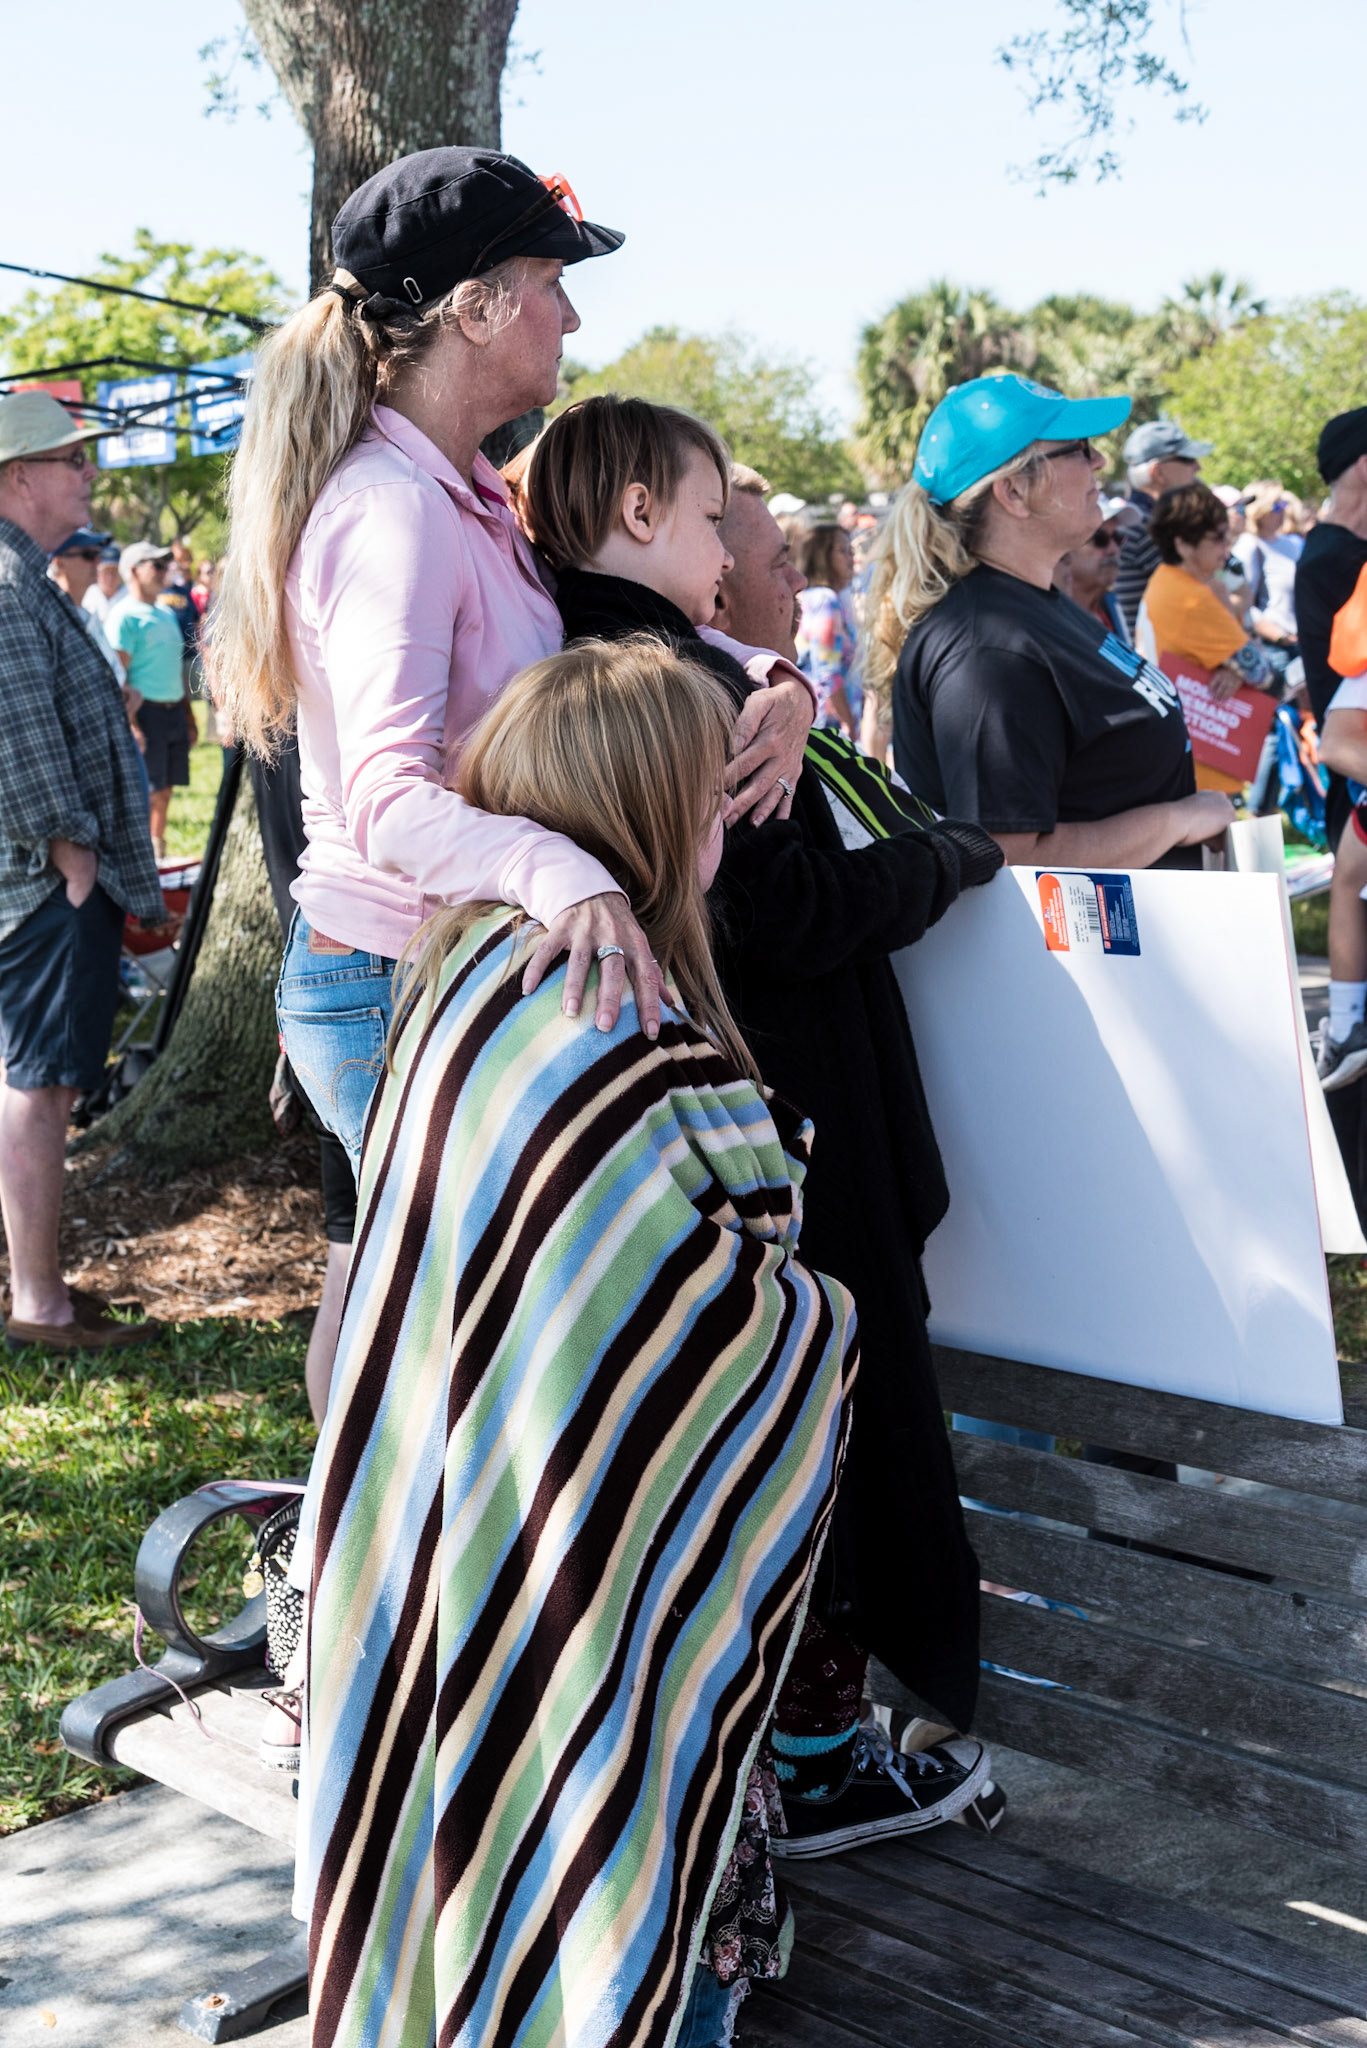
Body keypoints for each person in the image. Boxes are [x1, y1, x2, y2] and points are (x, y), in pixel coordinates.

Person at [301, 638, 858, 2048]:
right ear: (649, 811)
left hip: (447, 1552)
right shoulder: (617, 1026)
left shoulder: (472, 972)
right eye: (703, 791)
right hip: (574, 1598)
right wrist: (825, 1317)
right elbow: (715, 1331)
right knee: (599, 1876)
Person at [525, 394, 1003, 1853]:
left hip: (708, 1119)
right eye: (708, 505)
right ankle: (812, 1757)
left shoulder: (603, 656)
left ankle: (793, 1750)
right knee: (837, 1438)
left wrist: (778, 678)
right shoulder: (663, 681)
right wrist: (945, 861)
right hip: (784, 1117)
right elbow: (780, 913)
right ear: (639, 519)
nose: (736, 541)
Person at [209, 145, 810, 1177]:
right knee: (458, 1326)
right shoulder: (392, 512)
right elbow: (387, 805)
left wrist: (771, 683)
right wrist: (568, 879)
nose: (571, 318)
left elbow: (600, 620)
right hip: (395, 975)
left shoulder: (470, 493)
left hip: (458, 958)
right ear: (475, 308)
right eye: (552, 283)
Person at [877, 374, 1235, 870]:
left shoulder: (1035, 602)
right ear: (1014, 492)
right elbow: (1006, 856)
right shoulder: (986, 649)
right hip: (1073, 948)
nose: (1100, 463)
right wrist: (1179, 820)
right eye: (1079, 449)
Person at [0, 390, 164, 1349]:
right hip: (46, 884)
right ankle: (41, 1305)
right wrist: (71, 853)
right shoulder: (11, 583)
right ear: (22, 480)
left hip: (46, 882)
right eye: (72, 460)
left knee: (37, 1080)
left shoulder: (25, 576)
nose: (88, 474)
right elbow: (18, 738)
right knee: (41, 1085)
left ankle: (39, 1290)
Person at [1299, 409, 1367, 1091]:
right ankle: (1344, 1025)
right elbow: (1341, 729)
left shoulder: (1330, 555)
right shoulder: (1339, 560)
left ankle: (1345, 1026)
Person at [107, 542, 198, 857]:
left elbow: (174, 670)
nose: (164, 572)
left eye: (165, 565)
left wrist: (188, 717)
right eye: (155, 565)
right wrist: (131, 724)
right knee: (146, 791)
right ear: (133, 571)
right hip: (145, 714)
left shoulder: (165, 613)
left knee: (165, 790)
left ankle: (156, 854)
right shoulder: (124, 616)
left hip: (172, 712)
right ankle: (141, 857)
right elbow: (117, 678)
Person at [1112, 417, 1213, 638]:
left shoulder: (1145, 522)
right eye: (1187, 459)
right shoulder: (1148, 528)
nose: (1197, 466)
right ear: (1158, 473)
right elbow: (1209, 601)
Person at [793, 522, 859, 734]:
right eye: (843, 550)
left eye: (852, 550)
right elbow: (827, 671)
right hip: (829, 723)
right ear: (822, 555)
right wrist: (848, 721)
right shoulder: (824, 599)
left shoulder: (824, 597)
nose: (852, 558)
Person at [1234, 482, 1301, 672]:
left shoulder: (1289, 545)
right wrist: (1277, 634)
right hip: (1272, 648)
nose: (1282, 512)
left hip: (1297, 642)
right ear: (1259, 511)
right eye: (1276, 506)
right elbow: (1241, 600)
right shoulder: (1249, 545)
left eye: (1284, 505)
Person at [47, 526, 125, 686]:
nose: (98, 561)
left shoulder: (88, 615)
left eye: (98, 554)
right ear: (59, 563)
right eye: (88, 555)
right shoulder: (49, 618)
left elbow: (116, 674)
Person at [1053, 496, 1130, 638]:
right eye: (1100, 539)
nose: (1114, 549)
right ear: (1065, 549)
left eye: (1118, 538)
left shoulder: (1112, 606)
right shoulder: (1053, 621)